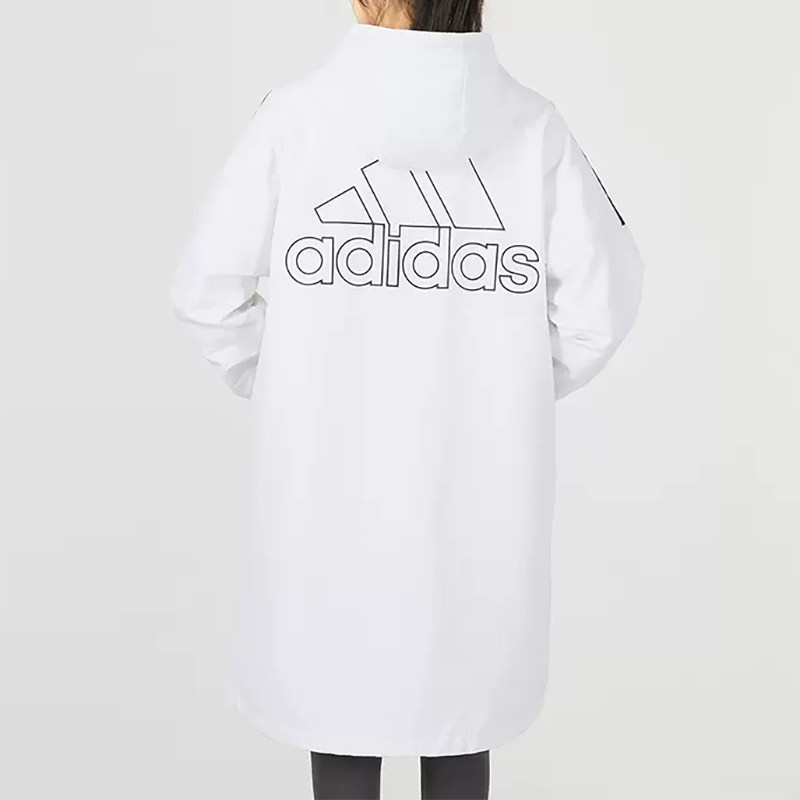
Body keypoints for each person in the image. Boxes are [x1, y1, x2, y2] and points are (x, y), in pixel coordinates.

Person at [170, 0, 644, 797]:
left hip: (324, 508)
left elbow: (205, 293)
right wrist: (507, 392)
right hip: (478, 511)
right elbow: (605, 304)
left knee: (338, 717)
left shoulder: (296, 121)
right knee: (460, 720)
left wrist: (289, 386)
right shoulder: (534, 130)